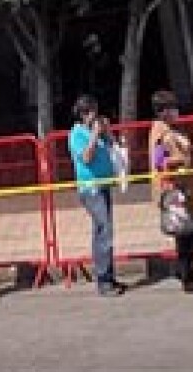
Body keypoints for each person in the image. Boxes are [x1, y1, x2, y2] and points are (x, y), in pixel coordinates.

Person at [147, 92, 193, 291]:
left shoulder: (173, 129)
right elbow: (158, 161)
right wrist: (178, 162)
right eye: (172, 108)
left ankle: (185, 270)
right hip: (174, 189)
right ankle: (186, 274)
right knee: (187, 231)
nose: (176, 111)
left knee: (192, 228)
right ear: (163, 111)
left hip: (186, 187)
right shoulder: (160, 132)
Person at [67, 94, 126, 296]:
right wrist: (93, 135)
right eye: (89, 112)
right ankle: (103, 280)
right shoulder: (77, 134)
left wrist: (107, 133)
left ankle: (109, 276)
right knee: (104, 229)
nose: (94, 115)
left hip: (104, 184)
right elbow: (86, 157)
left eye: (95, 111)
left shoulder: (98, 132)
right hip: (90, 188)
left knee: (104, 230)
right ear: (82, 114)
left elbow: (112, 149)